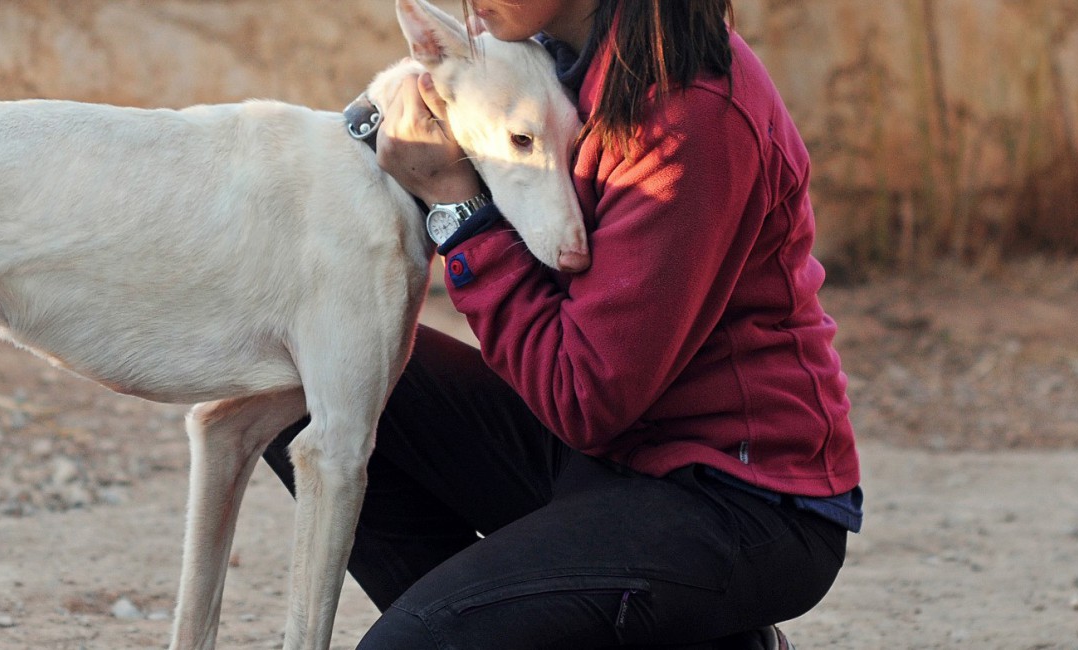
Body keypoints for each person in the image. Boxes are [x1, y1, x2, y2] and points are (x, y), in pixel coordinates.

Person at [261, 1, 863, 648]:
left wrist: (457, 209)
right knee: (291, 379)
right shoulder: (542, 57)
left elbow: (586, 396)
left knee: (414, 644)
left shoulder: (692, 112)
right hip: (603, 455)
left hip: (735, 494)